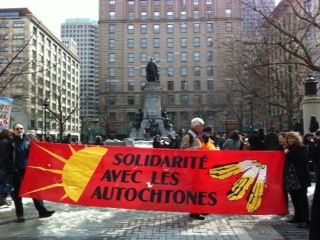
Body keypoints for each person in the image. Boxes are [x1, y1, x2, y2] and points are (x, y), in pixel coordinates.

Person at [11, 123, 55, 223]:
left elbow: (33, 153)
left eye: (21, 128)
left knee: (35, 191)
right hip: (16, 171)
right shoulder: (11, 142)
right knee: (18, 194)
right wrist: (11, 168)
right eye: (17, 129)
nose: (19, 130)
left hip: (28, 170)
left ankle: (42, 211)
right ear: (14, 130)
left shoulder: (27, 141)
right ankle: (20, 215)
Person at [180, 117, 206, 220]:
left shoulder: (198, 136)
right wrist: (198, 149)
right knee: (195, 190)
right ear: (196, 126)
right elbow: (183, 150)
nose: (203, 128)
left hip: (199, 167)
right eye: (201, 126)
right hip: (192, 168)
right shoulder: (188, 136)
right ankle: (194, 211)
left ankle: (200, 208)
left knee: (201, 189)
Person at [284, 131, 310, 228]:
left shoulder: (301, 148)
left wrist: (288, 154)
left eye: (292, 138)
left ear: (296, 139)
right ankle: (297, 216)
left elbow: (300, 159)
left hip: (299, 178)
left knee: (302, 200)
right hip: (291, 178)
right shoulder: (288, 149)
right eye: (289, 138)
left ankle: (305, 220)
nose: (290, 140)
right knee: (294, 198)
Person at [0, 129, 15, 206]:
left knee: (3, 183)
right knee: (9, 183)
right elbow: (5, 156)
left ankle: (3, 198)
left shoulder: (3, 141)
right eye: (11, 133)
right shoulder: (5, 142)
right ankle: (2, 197)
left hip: (3, 166)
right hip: (5, 166)